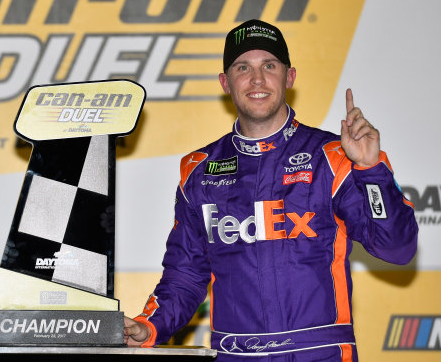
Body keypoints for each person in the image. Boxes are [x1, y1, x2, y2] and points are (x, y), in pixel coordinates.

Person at [123, 19, 418, 361]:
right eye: (243, 67)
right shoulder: (198, 171)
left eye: (269, 65)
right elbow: (186, 273)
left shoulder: (333, 157)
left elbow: (398, 248)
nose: (257, 79)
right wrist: (152, 325)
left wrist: (371, 169)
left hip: (319, 354)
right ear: (225, 82)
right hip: (235, 355)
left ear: (289, 77)